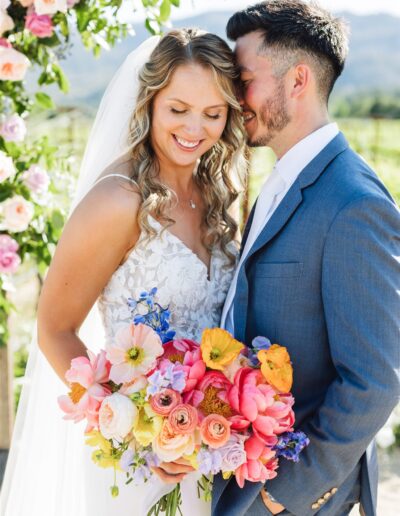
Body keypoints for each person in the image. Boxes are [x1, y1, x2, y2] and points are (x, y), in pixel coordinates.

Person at [0, 29, 246, 516]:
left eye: (213, 114)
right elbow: (54, 329)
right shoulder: (118, 199)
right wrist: (140, 431)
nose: (195, 128)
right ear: (149, 101)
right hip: (140, 464)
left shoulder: (217, 192)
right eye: (178, 109)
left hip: (212, 450)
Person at [215, 2, 400, 515]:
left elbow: (375, 382)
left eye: (245, 78)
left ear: (297, 80)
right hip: (239, 478)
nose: (234, 96)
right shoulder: (281, 178)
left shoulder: (354, 202)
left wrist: (282, 498)